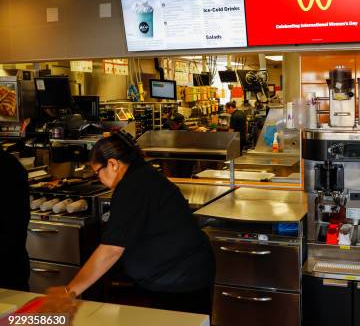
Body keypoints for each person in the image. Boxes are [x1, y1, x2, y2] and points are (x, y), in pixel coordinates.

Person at [58, 132, 214, 314]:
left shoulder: (131, 187)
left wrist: (69, 292)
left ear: (113, 164)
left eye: (97, 172)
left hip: (180, 279)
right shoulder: (142, 174)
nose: (97, 178)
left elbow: (111, 250)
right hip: (184, 272)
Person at [0, 149, 30, 291]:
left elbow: (14, 226)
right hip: (13, 263)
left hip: (7, 269)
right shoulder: (12, 165)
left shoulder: (8, 168)